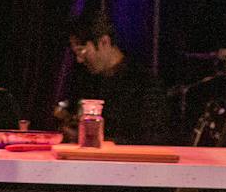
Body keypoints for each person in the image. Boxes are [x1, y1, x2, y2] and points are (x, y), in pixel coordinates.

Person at [60, 8, 172, 144]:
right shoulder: (88, 80)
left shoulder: (144, 84)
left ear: (104, 42)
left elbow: (153, 138)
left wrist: (94, 139)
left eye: (81, 50)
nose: (79, 59)